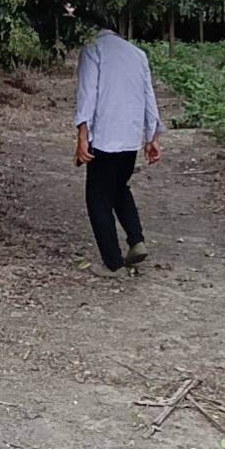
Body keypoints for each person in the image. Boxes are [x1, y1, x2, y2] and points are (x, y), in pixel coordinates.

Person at [74, 14, 162, 274]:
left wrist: (81, 136)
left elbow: (87, 94)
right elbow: (149, 96)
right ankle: (136, 240)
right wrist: (152, 137)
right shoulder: (137, 53)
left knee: (97, 198)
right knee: (119, 188)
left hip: (104, 136)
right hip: (129, 137)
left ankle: (112, 263)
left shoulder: (92, 49)